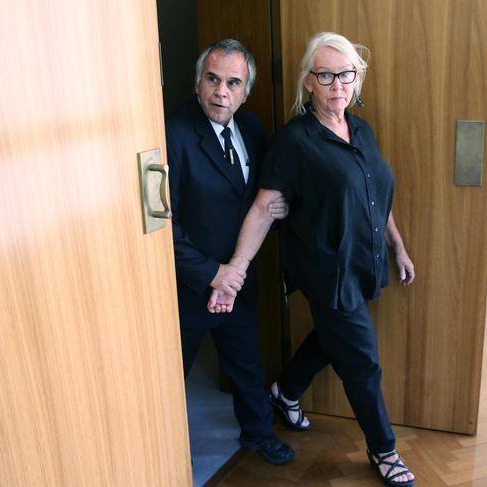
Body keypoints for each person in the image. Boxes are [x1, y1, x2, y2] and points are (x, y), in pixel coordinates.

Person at [208, 32, 416, 486]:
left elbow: (376, 196)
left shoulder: (361, 129)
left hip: (366, 262)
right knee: (362, 361)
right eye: (326, 75)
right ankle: (384, 450)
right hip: (327, 270)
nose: (337, 84)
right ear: (308, 82)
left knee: (333, 334)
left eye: (346, 74)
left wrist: (398, 245)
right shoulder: (293, 142)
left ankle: (285, 393)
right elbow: (264, 208)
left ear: (356, 78)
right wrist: (235, 271)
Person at [166, 39, 294, 465]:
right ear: (198, 82)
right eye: (213, 79)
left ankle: (257, 435)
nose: (222, 91)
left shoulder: (254, 130)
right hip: (190, 285)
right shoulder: (173, 133)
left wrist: (280, 208)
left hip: (237, 280)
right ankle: (158, 456)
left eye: (233, 83)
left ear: (245, 91)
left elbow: (259, 199)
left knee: (246, 364)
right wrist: (211, 274)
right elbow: (163, 224)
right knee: (168, 379)